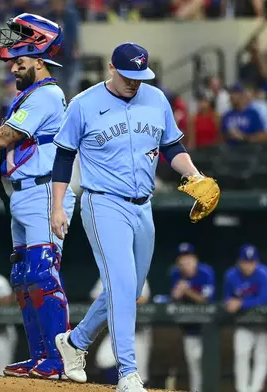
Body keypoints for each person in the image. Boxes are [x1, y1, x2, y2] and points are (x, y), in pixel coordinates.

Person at [50, 42, 210, 392]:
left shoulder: (155, 99)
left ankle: (74, 342)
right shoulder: (84, 104)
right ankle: (128, 373)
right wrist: (57, 205)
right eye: (128, 75)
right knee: (121, 285)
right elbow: (63, 157)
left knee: (131, 289)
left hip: (143, 204)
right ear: (112, 68)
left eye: (140, 76)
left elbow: (171, 147)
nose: (134, 82)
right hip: (103, 202)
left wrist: (193, 175)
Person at [0, 13, 76, 380]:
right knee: (23, 276)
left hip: (43, 192)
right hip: (23, 193)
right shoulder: (30, 95)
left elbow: (3, 138)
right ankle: (40, 356)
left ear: (40, 60)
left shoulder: (48, 94)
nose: (13, 67)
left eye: (20, 62)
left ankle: (58, 359)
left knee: (42, 273)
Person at [169, 242, 215, 392]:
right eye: (182, 259)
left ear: (195, 259)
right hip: (189, 329)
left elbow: (205, 300)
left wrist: (186, 290)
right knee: (193, 366)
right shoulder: (175, 274)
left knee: (206, 364)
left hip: (208, 329)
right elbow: (172, 300)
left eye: (188, 258)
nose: (185, 262)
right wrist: (175, 295)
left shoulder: (206, 272)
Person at [91, 278, 152, 386]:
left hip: (137, 330)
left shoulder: (139, 275)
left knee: (140, 372)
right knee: (103, 359)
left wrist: (116, 298)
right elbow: (95, 296)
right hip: (116, 329)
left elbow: (143, 299)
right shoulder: (107, 274)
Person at [223, 244, 267, 392]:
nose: (248, 265)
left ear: (257, 262)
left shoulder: (264, 274)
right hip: (242, 323)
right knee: (241, 355)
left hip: (263, 325)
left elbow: (263, 298)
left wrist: (241, 303)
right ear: (239, 262)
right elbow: (227, 298)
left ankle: (254, 390)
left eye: (251, 262)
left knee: (262, 358)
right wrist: (229, 303)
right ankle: (242, 390)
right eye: (245, 262)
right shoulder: (231, 275)